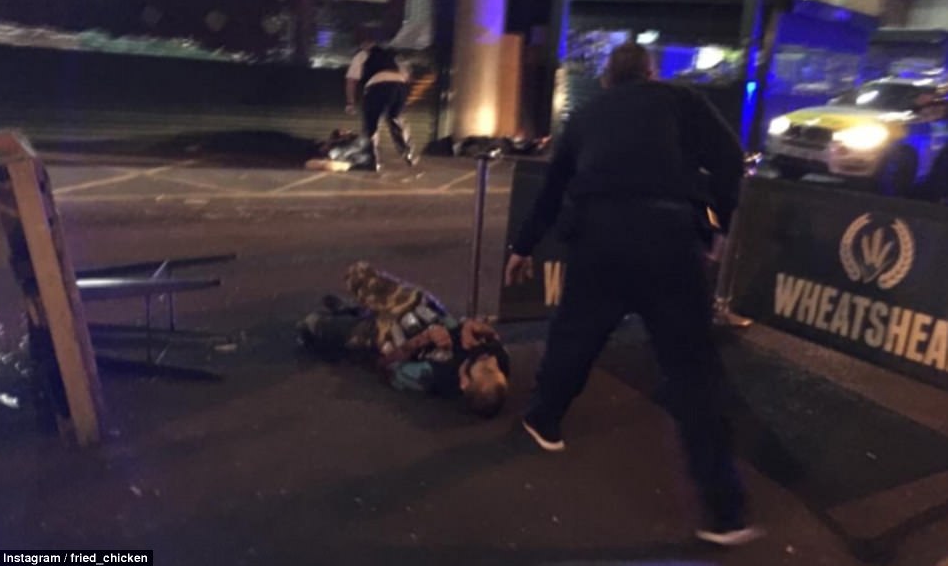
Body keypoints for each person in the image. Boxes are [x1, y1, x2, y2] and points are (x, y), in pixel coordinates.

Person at [503, 41, 760, 546]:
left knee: (575, 335)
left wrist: (524, 247)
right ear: (651, 72)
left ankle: (545, 420)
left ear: (607, 79)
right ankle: (726, 512)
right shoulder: (681, 100)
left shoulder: (587, 115)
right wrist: (715, 223)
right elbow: (731, 159)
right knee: (693, 372)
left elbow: (552, 190)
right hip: (670, 238)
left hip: (599, 237)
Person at [299, 261, 509, 418]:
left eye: (484, 367)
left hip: (387, 334)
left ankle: (352, 317)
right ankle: (357, 310)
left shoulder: (435, 376)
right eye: (494, 366)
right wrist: (469, 326)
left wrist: (423, 339)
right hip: (417, 308)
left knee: (312, 323)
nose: (489, 359)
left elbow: (386, 366)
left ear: (464, 382)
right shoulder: (497, 359)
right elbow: (484, 333)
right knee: (358, 273)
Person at [345, 32, 416, 169]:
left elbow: (351, 81)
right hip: (399, 85)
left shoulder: (362, 55)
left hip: (377, 86)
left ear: (365, 44)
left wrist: (350, 102)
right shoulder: (393, 55)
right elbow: (408, 76)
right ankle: (408, 152)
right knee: (396, 119)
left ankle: (372, 159)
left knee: (371, 123)